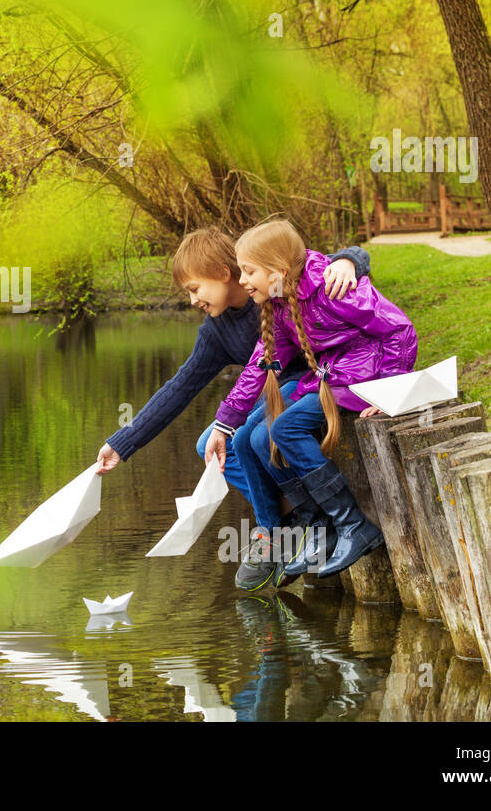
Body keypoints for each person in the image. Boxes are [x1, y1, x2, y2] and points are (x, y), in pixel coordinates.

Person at [95, 226, 370, 590]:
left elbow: (322, 264)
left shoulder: (267, 279)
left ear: (224, 274)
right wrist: (123, 442)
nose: (192, 300)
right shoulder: (216, 331)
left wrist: (349, 261)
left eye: (195, 289)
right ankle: (283, 520)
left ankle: (283, 526)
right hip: (266, 393)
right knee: (207, 447)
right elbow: (179, 388)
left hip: (312, 380)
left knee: (249, 438)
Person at [211, 219, 418, 580]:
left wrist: (389, 389)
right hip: (332, 377)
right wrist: (225, 421)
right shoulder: (280, 304)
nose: (242, 281)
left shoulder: (332, 286)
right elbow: (261, 365)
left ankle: (353, 525)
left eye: (249, 271)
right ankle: (320, 527)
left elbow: (399, 329)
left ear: (276, 269)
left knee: (286, 426)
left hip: (362, 376)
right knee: (260, 436)